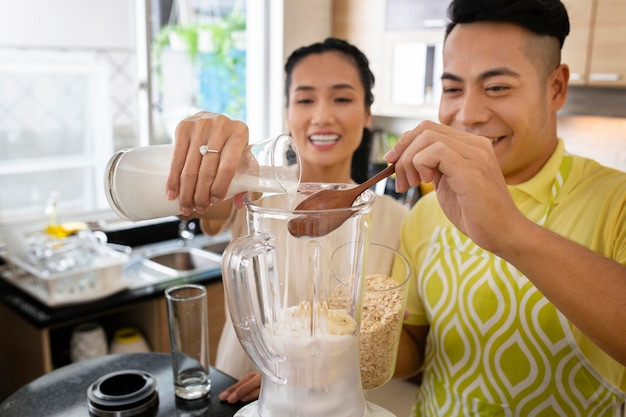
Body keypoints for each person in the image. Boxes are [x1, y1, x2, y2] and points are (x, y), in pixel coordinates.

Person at [383, 0, 626, 415]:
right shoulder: (427, 211)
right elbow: (416, 354)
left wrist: (511, 231)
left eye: (497, 88)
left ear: (556, 88)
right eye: (452, 89)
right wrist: (353, 334)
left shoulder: (616, 200)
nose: (467, 114)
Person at [166, 37, 409, 403]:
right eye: (305, 99)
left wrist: (297, 375)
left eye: (342, 98)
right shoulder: (254, 186)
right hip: (235, 390)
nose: (322, 115)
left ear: (367, 113)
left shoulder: (397, 219)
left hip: (334, 402)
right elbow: (197, 206)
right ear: (287, 111)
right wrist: (205, 144)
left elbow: (397, 349)